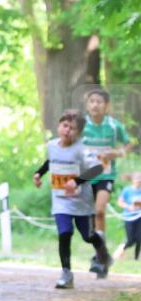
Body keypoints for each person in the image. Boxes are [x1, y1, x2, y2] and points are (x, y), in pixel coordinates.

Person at [33, 109, 110, 288]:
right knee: (64, 233)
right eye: (65, 126)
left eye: (73, 128)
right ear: (59, 126)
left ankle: (102, 253)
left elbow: (97, 169)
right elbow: (50, 161)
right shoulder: (52, 145)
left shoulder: (82, 149)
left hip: (82, 203)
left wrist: (76, 181)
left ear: (79, 133)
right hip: (61, 201)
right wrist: (39, 174)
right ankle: (66, 273)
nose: (67, 130)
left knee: (88, 236)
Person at [82, 88, 133, 273]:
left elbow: (128, 144)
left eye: (99, 102)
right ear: (87, 105)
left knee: (100, 211)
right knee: (88, 219)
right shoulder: (81, 125)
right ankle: (102, 255)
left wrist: (117, 153)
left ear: (106, 106)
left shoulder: (113, 126)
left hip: (106, 175)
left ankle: (99, 257)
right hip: (86, 176)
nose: (95, 105)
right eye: (92, 101)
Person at [114, 172, 141, 262]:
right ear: (132, 180)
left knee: (139, 238)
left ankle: (136, 259)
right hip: (129, 217)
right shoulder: (127, 190)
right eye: (137, 178)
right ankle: (121, 250)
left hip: (139, 217)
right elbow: (120, 202)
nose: (138, 180)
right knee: (131, 240)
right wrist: (129, 207)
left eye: (140, 178)